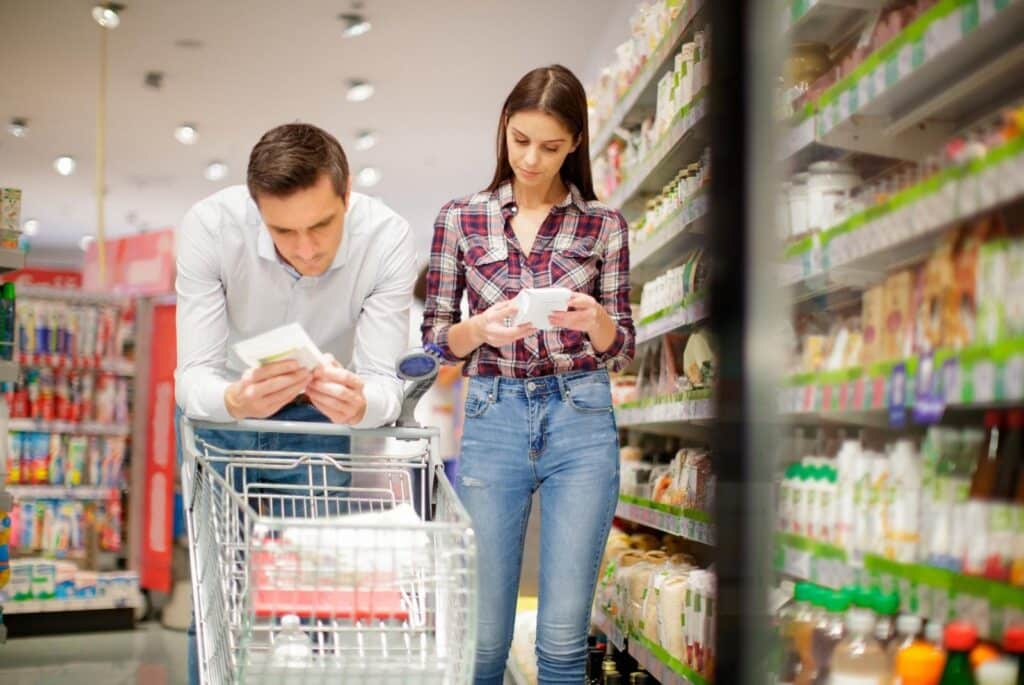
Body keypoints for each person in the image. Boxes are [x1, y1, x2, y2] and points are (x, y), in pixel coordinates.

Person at [174, 122, 416, 684]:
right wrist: (235, 399)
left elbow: (384, 383)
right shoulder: (211, 227)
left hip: (321, 425)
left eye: (321, 225)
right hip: (223, 422)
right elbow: (193, 380)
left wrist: (361, 406)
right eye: (282, 231)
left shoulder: (387, 238)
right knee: (216, 605)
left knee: (318, 603)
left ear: (346, 191)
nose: (305, 248)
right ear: (256, 207)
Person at [422, 64, 636, 684]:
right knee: (483, 640)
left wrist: (595, 317)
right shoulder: (460, 219)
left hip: (582, 416)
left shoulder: (604, 226)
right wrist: (479, 328)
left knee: (564, 641)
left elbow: (620, 348)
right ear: (503, 132)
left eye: (550, 145)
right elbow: (437, 343)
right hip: (493, 415)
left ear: (575, 143)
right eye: (520, 141)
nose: (532, 159)